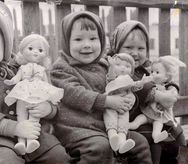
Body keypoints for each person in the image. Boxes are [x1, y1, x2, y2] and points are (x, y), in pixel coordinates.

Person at [0, 1, 70, 163]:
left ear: (6, 42)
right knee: (6, 160)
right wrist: (15, 128)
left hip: (29, 134)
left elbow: (46, 92)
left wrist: (48, 109)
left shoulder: (23, 68)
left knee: (57, 155)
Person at [50, 11, 152, 164]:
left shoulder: (105, 64)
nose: (87, 45)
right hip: (76, 128)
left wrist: (128, 96)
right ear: (66, 42)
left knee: (140, 143)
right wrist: (106, 101)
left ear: (101, 40)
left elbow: (119, 85)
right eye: (78, 39)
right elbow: (74, 93)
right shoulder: (61, 68)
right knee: (99, 147)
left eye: (93, 38)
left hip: (107, 126)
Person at [108, 20, 186, 164]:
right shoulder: (119, 70)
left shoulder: (147, 66)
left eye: (141, 48)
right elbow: (135, 87)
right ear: (116, 48)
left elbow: (164, 75)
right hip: (132, 121)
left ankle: (177, 156)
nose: (135, 53)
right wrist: (157, 95)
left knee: (176, 133)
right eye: (129, 47)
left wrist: (172, 88)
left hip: (155, 116)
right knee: (154, 140)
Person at [4, 34, 64, 155]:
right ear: (22, 50)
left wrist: (50, 97)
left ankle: (31, 141)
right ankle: (21, 142)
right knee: (21, 115)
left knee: (34, 116)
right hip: (22, 94)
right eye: (30, 49)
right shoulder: (22, 68)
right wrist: (12, 82)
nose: (35, 52)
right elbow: (17, 78)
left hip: (37, 96)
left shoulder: (42, 70)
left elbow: (47, 84)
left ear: (45, 54)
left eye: (40, 50)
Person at [130, 56, 186, 143]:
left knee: (157, 126)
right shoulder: (150, 83)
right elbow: (143, 87)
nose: (153, 74)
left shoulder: (167, 87)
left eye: (157, 72)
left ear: (166, 77)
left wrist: (172, 90)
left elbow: (171, 96)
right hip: (147, 112)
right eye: (152, 72)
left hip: (159, 116)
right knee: (139, 119)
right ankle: (131, 125)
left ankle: (156, 136)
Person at [104, 53, 152, 154]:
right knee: (111, 120)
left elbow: (134, 86)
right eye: (118, 65)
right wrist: (112, 66)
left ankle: (122, 143)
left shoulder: (128, 80)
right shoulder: (113, 78)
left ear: (131, 70)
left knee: (123, 124)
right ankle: (113, 137)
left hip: (124, 107)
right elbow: (111, 78)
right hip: (111, 105)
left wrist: (142, 82)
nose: (123, 68)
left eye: (127, 66)